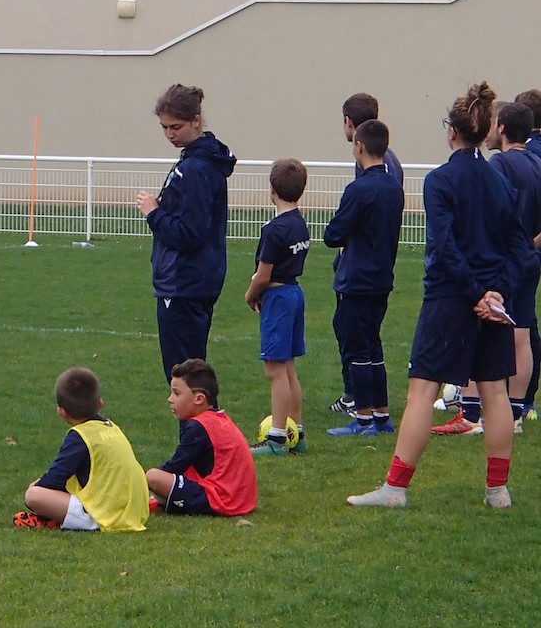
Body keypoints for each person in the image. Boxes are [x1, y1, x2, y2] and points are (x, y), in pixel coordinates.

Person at [349, 82, 532, 509]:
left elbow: (445, 248)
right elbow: (519, 250)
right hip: (491, 301)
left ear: (452, 130)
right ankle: (497, 492)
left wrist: (478, 293)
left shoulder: (440, 180)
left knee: (422, 391)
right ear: (485, 130)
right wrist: (496, 293)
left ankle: (395, 489)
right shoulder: (500, 181)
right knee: (495, 392)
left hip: (451, 298)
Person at [433, 101, 541, 435]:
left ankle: (470, 410)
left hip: (495, 266)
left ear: (502, 128)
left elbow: (489, 216)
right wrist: (530, 246)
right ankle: (517, 410)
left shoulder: (499, 166)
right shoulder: (537, 163)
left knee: (478, 333)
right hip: (525, 261)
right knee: (522, 331)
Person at [136, 84, 237, 382]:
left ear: (196, 120)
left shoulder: (195, 169)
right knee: (191, 371)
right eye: (164, 127)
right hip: (194, 279)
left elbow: (190, 233)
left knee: (183, 376)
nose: (169, 134)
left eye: (175, 127)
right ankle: (204, 413)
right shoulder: (198, 160)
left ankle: (199, 415)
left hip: (183, 282)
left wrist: (154, 213)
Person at [324, 120, 405, 438]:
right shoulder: (393, 187)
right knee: (373, 346)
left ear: (359, 146)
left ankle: (363, 417)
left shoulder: (359, 189)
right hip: (382, 276)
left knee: (357, 348)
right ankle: (382, 416)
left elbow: (334, 234)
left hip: (356, 278)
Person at [13, 366, 149, 532]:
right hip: (135, 511)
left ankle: (67, 521)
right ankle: (60, 518)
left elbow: (55, 478)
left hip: (105, 515)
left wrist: (37, 487)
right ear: (100, 404)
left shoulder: (80, 436)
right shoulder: (111, 427)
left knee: (34, 494)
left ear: (61, 412)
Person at [245, 158, 311, 456]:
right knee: (288, 368)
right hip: (294, 293)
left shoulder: (274, 229)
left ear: (271, 188)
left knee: (275, 370)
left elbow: (263, 275)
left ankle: (277, 438)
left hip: (278, 298)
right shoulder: (300, 223)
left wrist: (250, 295)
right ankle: (297, 433)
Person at [146, 359, 256, 517]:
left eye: (177, 393)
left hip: (221, 499)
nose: (170, 399)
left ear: (199, 399)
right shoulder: (218, 419)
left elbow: (175, 466)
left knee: (153, 477)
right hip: (240, 499)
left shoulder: (198, 426)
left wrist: (140, 484)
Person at [513, 87, 541, 418]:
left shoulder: (526, 157)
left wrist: (528, 243)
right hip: (528, 252)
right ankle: (524, 401)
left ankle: (519, 400)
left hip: (523, 251)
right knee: (525, 321)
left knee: (520, 325)